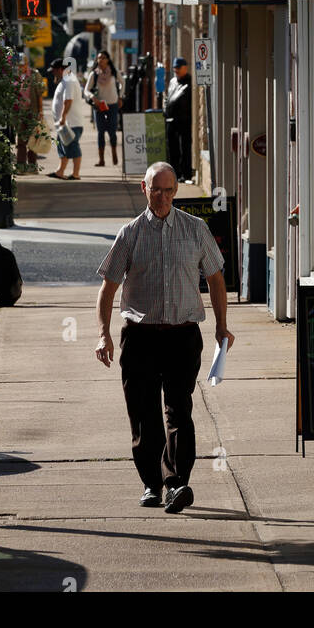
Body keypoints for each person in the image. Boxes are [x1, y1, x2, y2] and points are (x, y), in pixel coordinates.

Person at [95, 161, 234, 513]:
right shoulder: (130, 233)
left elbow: (216, 279)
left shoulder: (196, 229)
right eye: (156, 189)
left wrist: (221, 325)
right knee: (143, 414)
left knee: (179, 411)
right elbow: (108, 289)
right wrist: (103, 335)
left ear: (176, 191)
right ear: (145, 189)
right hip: (139, 337)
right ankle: (151, 484)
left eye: (169, 190)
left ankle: (176, 483)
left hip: (182, 336)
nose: (162, 196)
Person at [84, 49, 122, 168]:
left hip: (112, 104)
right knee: (100, 132)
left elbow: (123, 82)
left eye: (103, 58)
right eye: (99, 58)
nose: (101, 60)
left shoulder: (114, 72)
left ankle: (114, 153)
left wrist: (120, 96)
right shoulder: (94, 74)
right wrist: (92, 97)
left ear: (108, 59)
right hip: (99, 105)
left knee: (112, 131)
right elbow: (86, 90)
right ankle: (101, 160)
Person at [49, 58, 82, 180]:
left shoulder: (69, 81)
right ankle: (60, 171)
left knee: (73, 147)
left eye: (54, 71)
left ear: (60, 69)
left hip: (70, 123)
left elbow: (68, 100)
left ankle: (75, 173)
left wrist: (63, 117)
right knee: (63, 148)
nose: (53, 74)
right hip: (64, 123)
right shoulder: (65, 80)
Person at [164, 57, 193, 183]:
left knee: (184, 148)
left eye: (178, 68)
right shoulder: (173, 82)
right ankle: (174, 173)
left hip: (183, 120)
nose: (176, 70)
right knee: (172, 148)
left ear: (185, 68)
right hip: (171, 120)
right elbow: (167, 97)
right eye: (175, 68)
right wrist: (165, 109)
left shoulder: (190, 82)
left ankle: (185, 174)